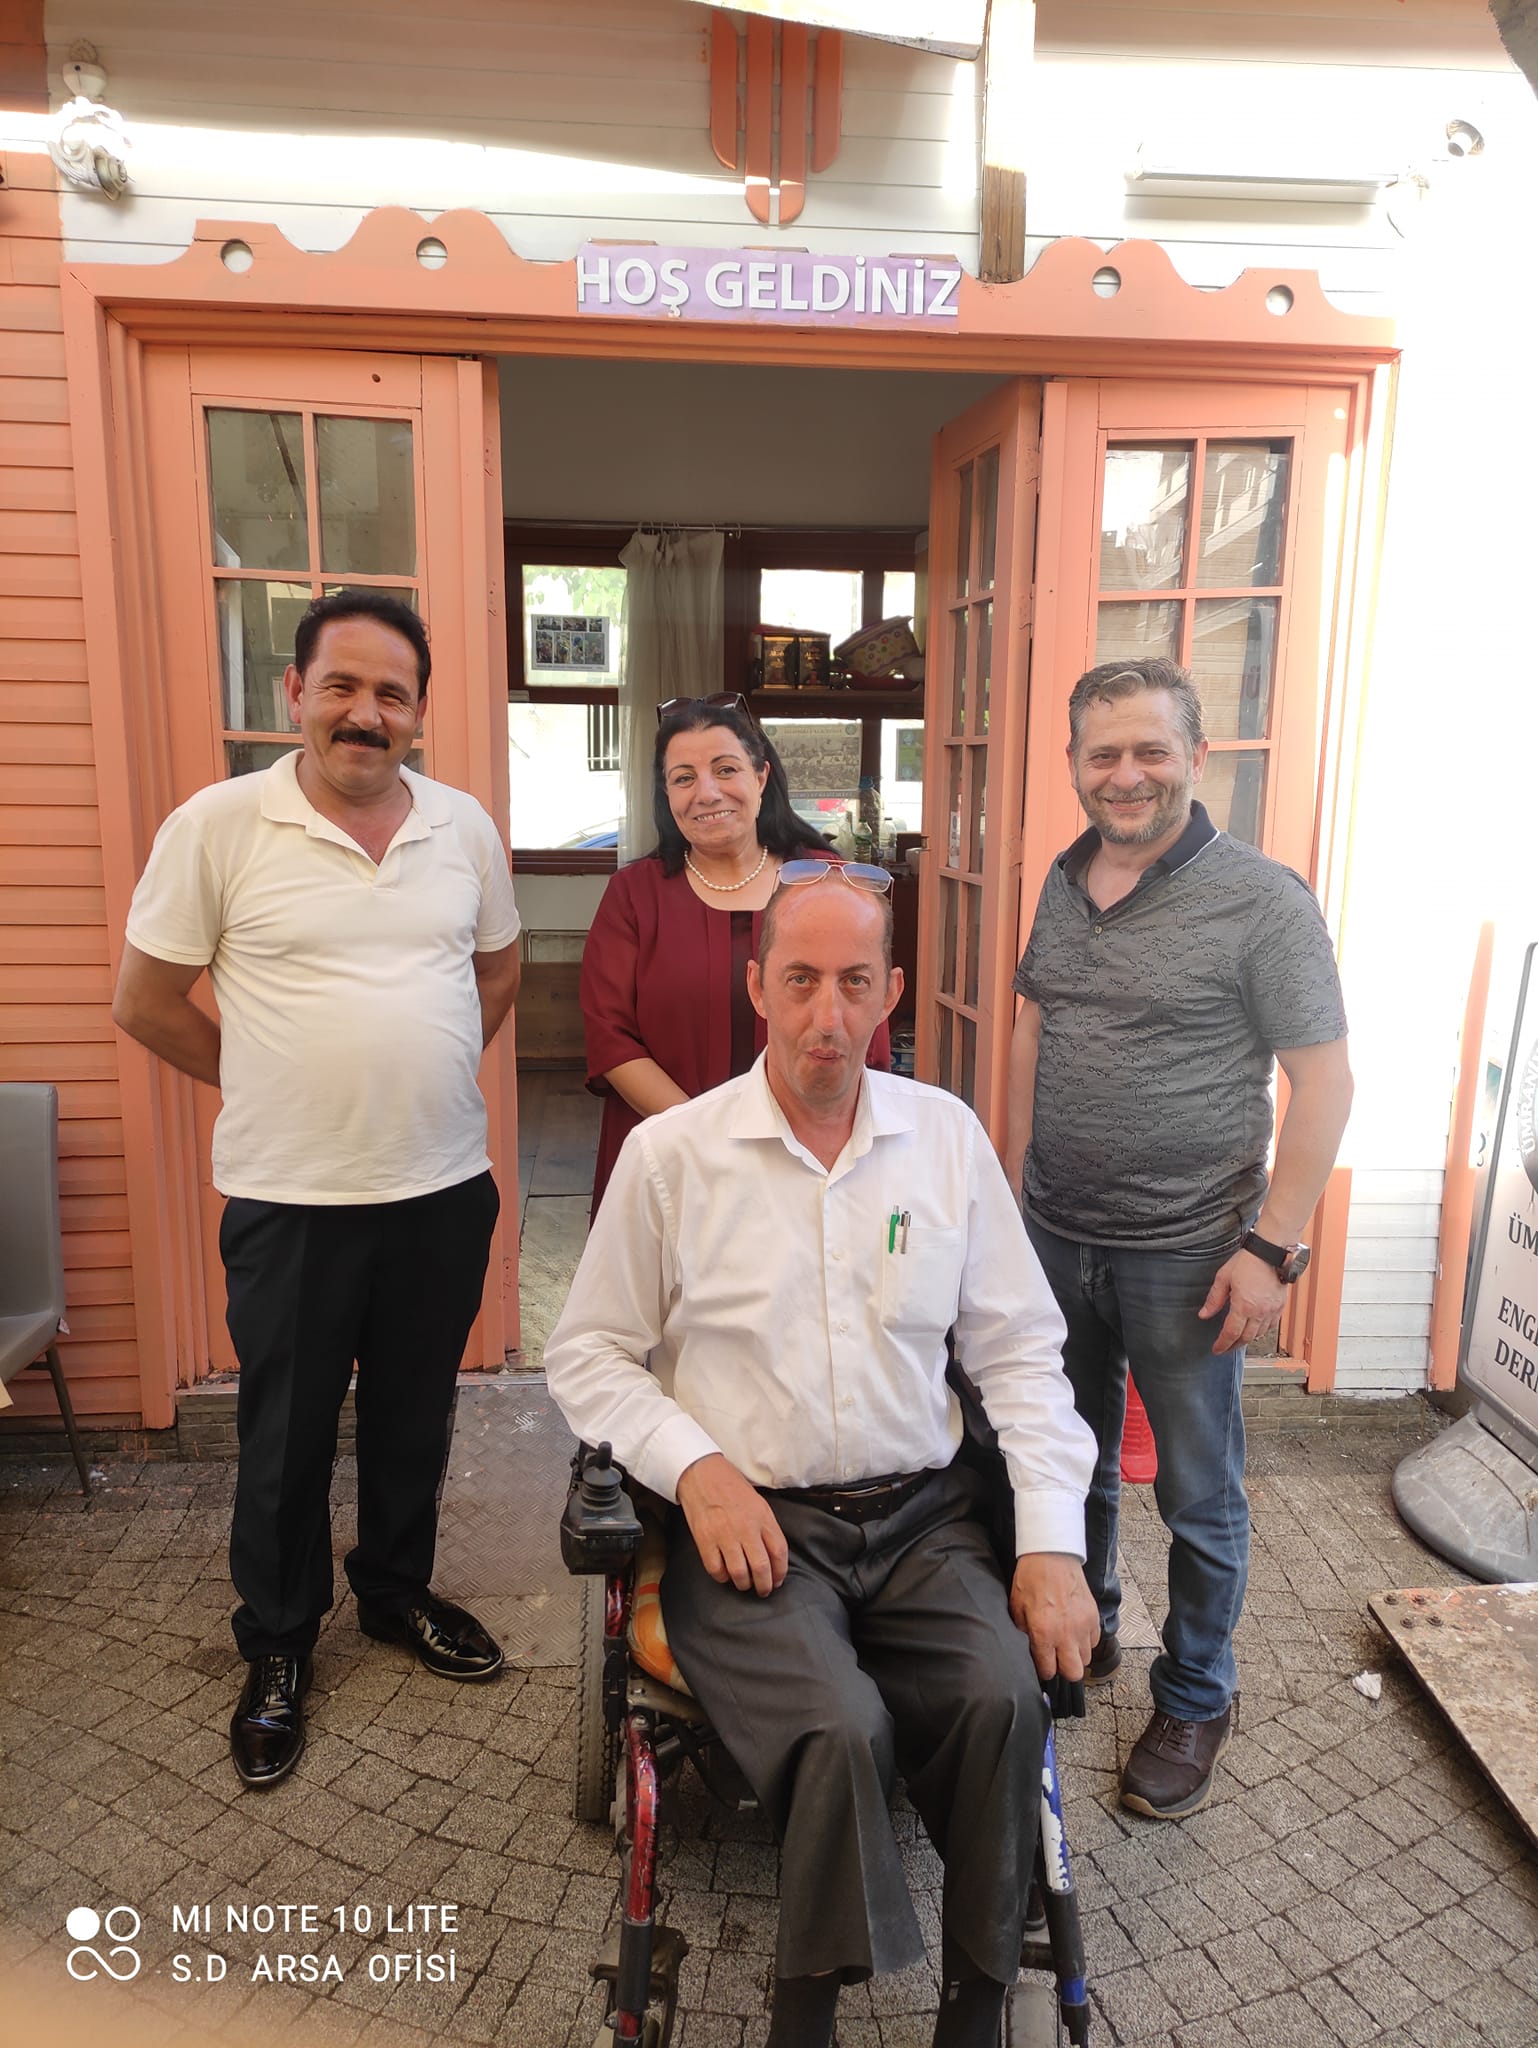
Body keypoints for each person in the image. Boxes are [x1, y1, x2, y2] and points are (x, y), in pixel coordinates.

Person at [547, 865, 1098, 2048]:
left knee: (1001, 1696)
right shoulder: (673, 1155)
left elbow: (1019, 1350)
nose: (826, 1015)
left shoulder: (943, 1140)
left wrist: (1051, 1541)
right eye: (798, 980)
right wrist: (694, 1468)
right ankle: (803, 2018)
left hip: (922, 1518)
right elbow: (587, 1352)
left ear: (890, 991)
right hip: (753, 1526)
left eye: (853, 982)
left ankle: (974, 2007)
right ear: (756, 988)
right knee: (836, 1725)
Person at [112, 589, 523, 1789]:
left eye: (391, 692)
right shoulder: (219, 825)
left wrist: (430, 1062)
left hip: (440, 1186)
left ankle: (393, 1591)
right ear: (295, 692)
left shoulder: (461, 827)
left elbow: (498, 968)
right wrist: (266, 1074)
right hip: (290, 1194)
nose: (365, 712)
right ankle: (280, 1641)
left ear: (418, 711)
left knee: (413, 1413)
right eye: (341, 685)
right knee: (285, 1433)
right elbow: (144, 1000)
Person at [1003, 656, 1352, 1822]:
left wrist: (1271, 1246)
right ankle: (1088, 1623)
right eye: (1101, 753)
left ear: (1194, 756)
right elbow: (1034, 1030)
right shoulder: (1062, 880)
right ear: (1073, 764)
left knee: (1198, 1490)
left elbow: (1324, 1082)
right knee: (1070, 1456)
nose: (1125, 774)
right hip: (1056, 1234)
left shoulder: (1262, 900)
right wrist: (1007, 1191)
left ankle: (1196, 1691)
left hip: (1189, 1255)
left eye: (1149, 749)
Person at [580, 693, 890, 1210]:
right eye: (684, 778)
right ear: (666, 794)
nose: (706, 793)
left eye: (726, 770)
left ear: (761, 777)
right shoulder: (634, 895)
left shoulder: (823, 879)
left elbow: (864, 1021)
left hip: (812, 1157)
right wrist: (708, 1140)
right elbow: (611, 1039)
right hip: (672, 1154)